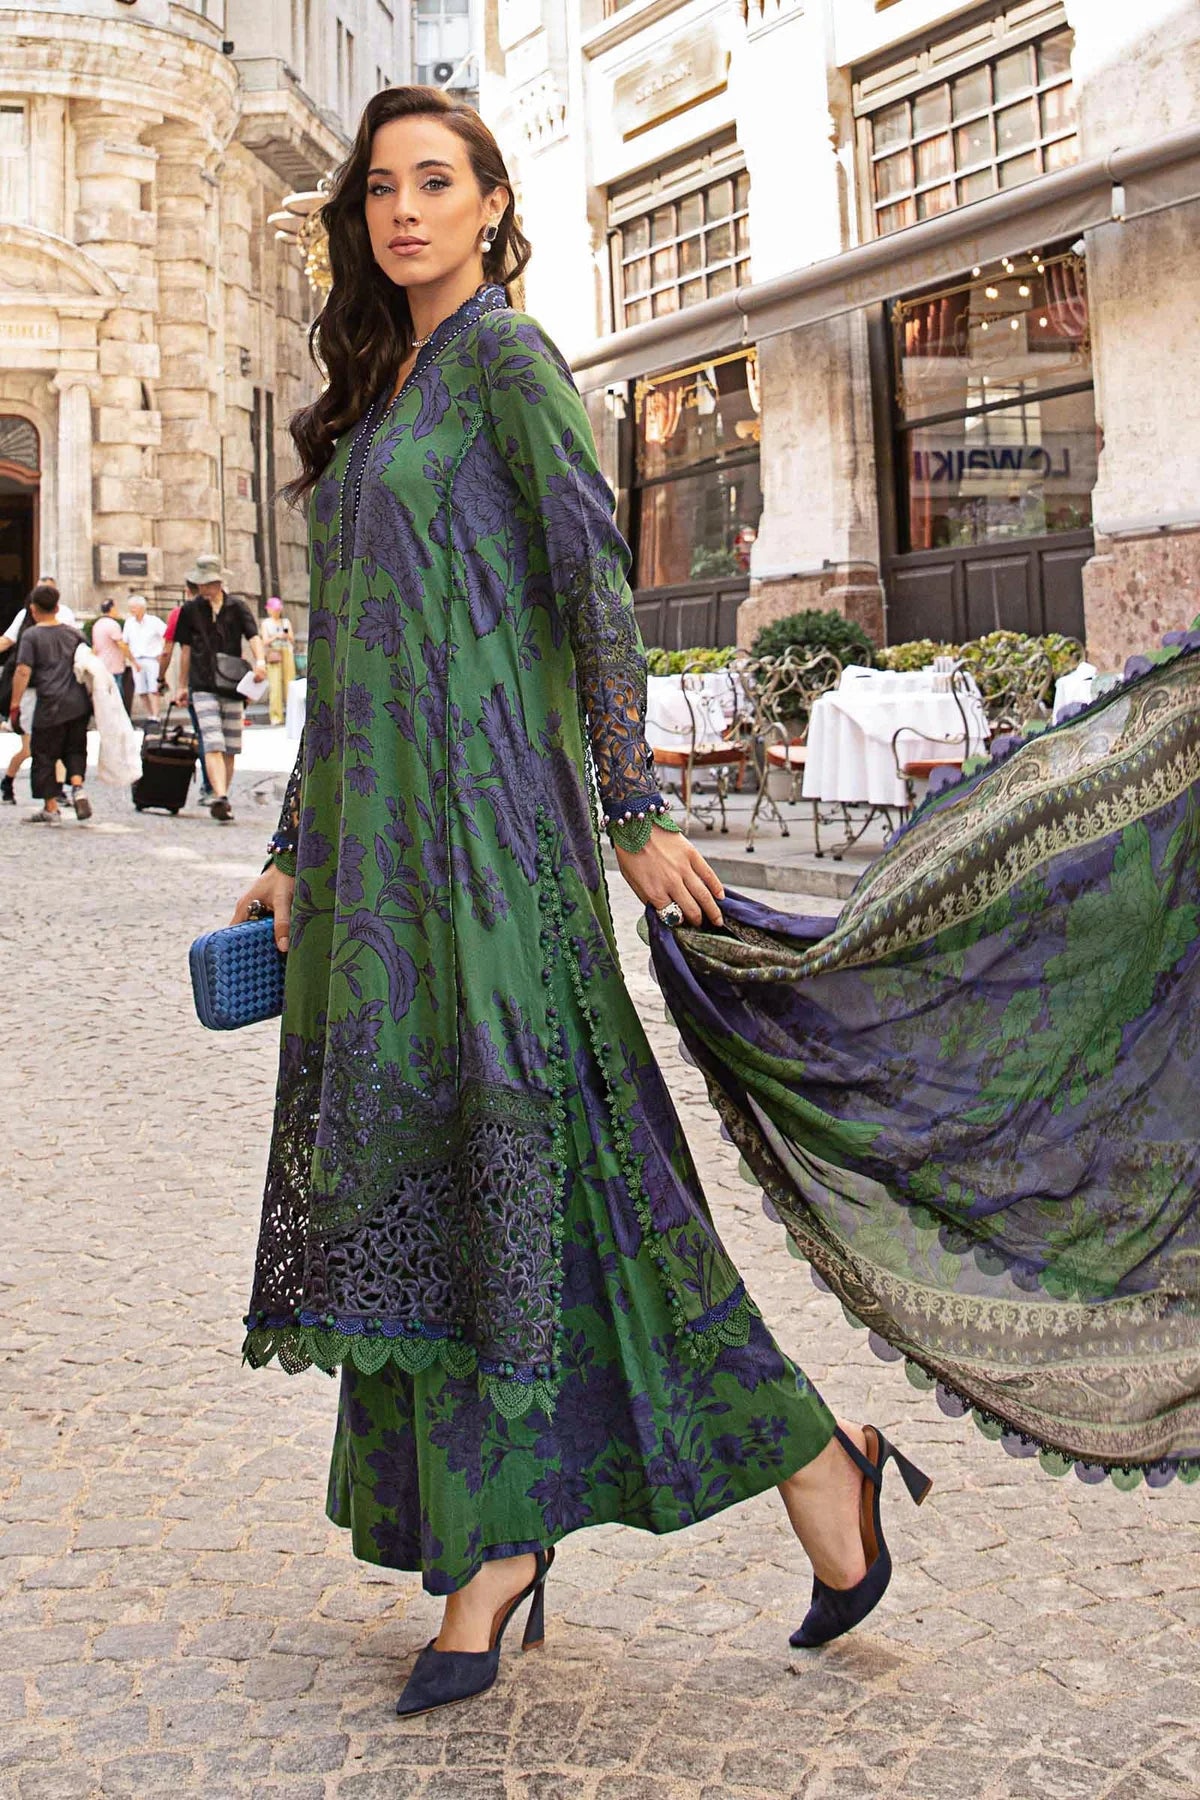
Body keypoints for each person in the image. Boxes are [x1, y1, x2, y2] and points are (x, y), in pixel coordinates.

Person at [227, 86, 910, 1722]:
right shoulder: (379, 395)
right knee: (459, 1186)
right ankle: (808, 1469)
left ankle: (510, 1548)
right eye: (380, 188)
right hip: (380, 878)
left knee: (547, 1176)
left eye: (435, 182)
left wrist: (635, 806)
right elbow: (347, 649)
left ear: (490, 205)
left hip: (494, 856)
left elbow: (595, 588)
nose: (403, 209)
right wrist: (297, 843)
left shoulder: (511, 364)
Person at [173, 554, 267, 821]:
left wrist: (260, 662)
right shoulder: (190, 610)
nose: (202, 588)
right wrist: (181, 685)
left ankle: (222, 794)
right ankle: (221, 796)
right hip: (202, 683)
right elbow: (185, 650)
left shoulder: (237, 607)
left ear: (218, 582)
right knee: (212, 741)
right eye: (199, 583)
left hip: (232, 685)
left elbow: (253, 636)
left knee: (230, 746)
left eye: (206, 583)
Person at [8, 582, 91, 823]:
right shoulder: (74, 634)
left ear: (33, 609)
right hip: (78, 703)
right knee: (75, 748)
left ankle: (51, 807)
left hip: (50, 703)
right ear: (57, 608)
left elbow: (23, 671)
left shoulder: (31, 635)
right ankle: (78, 787)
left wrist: (15, 703)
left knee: (44, 754)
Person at [0, 579, 73, 804]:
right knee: (29, 748)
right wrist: (15, 703)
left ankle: (56, 792)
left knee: (56, 744)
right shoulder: (25, 620)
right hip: (31, 693)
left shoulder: (65, 617)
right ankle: (8, 781)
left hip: (55, 691)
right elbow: (8, 644)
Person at [122, 594, 166, 722]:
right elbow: (125, 642)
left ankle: (156, 715)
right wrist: (132, 660)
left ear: (142, 608)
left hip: (152, 658)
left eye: (134, 607)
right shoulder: (129, 623)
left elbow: (166, 634)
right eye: (130, 607)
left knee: (154, 688)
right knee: (141, 690)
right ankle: (150, 713)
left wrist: (162, 652)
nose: (132, 610)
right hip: (137, 659)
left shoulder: (154, 621)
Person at [91, 599, 137, 715]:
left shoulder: (97, 625)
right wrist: (133, 660)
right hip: (114, 666)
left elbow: (95, 647)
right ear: (111, 609)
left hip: (102, 666)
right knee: (117, 697)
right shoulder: (112, 625)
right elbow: (121, 644)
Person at [260, 597, 296, 727]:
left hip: (287, 652)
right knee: (275, 686)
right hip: (274, 654)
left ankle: (293, 716)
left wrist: (286, 635)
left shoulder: (285, 622)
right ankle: (276, 716)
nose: (276, 611)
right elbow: (264, 641)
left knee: (290, 684)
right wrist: (276, 636)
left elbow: (292, 638)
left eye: (278, 609)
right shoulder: (266, 623)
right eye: (274, 609)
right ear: (269, 610)